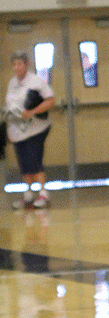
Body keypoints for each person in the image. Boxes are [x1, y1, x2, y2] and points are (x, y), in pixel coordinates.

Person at [5, 51, 55, 210]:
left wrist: (33, 112)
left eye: (20, 64)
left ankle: (43, 193)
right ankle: (28, 195)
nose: (17, 67)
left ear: (26, 65)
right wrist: (9, 129)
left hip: (36, 129)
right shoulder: (12, 83)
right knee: (24, 163)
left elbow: (50, 100)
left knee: (34, 160)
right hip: (18, 129)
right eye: (15, 64)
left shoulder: (36, 82)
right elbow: (10, 107)